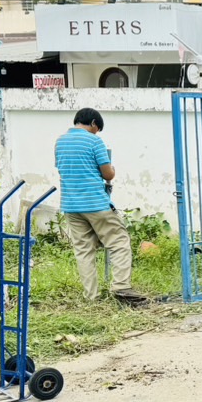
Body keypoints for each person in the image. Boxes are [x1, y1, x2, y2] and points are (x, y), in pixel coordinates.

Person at [55, 108, 147, 305]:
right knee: (119, 242)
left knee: (83, 250)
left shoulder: (60, 142)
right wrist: (111, 169)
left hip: (71, 205)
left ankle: (92, 297)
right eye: (98, 128)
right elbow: (107, 174)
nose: (97, 132)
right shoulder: (94, 141)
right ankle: (121, 288)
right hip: (95, 203)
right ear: (94, 123)